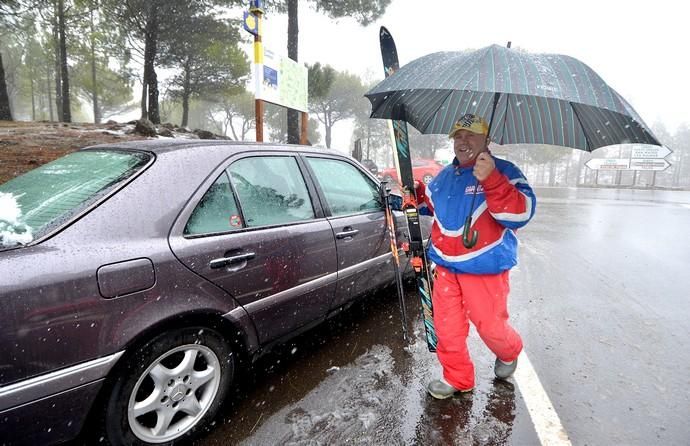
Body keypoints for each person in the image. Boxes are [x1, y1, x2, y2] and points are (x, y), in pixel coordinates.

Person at [414, 113, 536, 399]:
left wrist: (491, 179)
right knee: (447, 328)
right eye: (458, 135)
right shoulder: (445, 176)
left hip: (485, 269)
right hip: (445, 266)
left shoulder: (506, 171)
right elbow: (431, 206)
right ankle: (458, 378)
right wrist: (415, 195)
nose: (463, 141)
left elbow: (520, 214)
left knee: (490, 327)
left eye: (471, 135)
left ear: (487, 139)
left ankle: (509, 351)